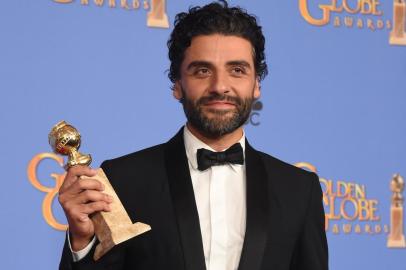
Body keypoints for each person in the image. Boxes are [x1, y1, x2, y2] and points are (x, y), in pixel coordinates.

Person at [58, 1, 328, 270]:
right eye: (202, 70)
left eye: (237, 70)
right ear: (177, 84)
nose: (220, 86)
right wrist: (83, 241)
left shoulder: (298, 191)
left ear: (256, 83)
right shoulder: (121, 181)